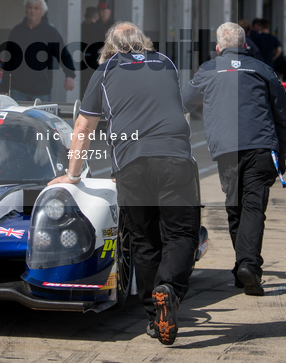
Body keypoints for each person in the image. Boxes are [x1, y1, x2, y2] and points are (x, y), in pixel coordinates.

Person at [51, 22, 199, 345]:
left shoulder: (105, 72)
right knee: (181, 233)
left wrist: (72, 174)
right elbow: (177, 108)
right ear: (143, 42)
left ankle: (152, 315)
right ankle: (169, 290)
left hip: (131, 164)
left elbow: (83, 123)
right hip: (175, 158)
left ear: (110, 47)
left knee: (143, 240)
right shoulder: (166, 63)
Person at [182, 23, 286, 297]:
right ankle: (248, 267)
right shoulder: (262, 69)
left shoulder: (208, 69)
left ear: (218, 48)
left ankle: (245, 267)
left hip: (226, 151)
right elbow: (284, 115)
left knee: (235, 208)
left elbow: (182, 102)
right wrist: (282, 153)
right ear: (245, 46)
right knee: (253, 208)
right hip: (261, 147)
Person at [0, 0, 76, 102]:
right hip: (18, 90)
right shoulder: (17, 31)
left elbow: (62, 54)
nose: (32, 11)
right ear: (26, 9)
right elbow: (8, 60)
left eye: (36, 8)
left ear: (42, 11)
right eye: (30, 7)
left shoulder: (50, 32)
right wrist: (4, 87)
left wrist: (70, 75)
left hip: (42, 91)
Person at [80, 6, 102, 98]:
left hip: (82, 58)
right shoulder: (99, 29)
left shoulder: (81, 27)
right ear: (96, 16)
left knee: (83, 83)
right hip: (94, 60)